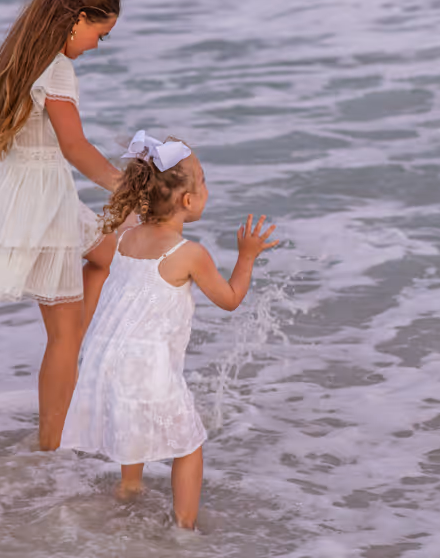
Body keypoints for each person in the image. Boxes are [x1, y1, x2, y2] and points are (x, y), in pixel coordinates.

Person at [62, 131, 279, 530]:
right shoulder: (189, 254)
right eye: (204, 181)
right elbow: (230, 299)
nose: (207, 187)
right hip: (147, 362)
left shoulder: (126, 236)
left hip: (106, 356)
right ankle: (184, 529)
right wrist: (246, 257)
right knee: (188, 445)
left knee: (132, 421)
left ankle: (129, 489)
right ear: (188, 201)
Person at [0, 0, 123, 451]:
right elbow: (75, 147)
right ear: (79, 18)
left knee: (111, 258)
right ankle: (50, 447)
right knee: (63, 336)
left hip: (32, 193)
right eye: (101, 33)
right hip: (44, 201)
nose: (97, 45)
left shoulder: (26, 55)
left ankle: (67, 378)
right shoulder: (59, 68)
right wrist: (128, 190)